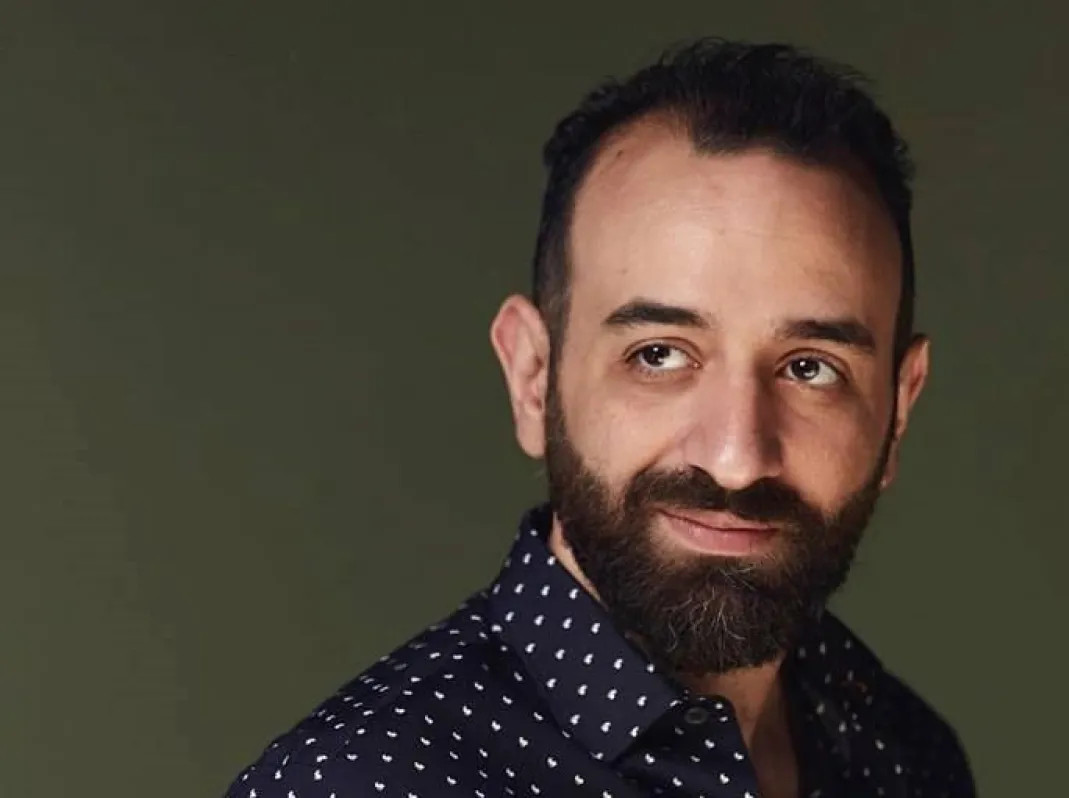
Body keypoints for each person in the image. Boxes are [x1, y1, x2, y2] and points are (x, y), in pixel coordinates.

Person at [225, 37, 976, 798]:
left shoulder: (903, 753)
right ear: (533, 378)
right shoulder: (357, 784)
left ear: (898, 408)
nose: (736, 456)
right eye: (659, 355)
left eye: (810, 368)